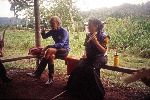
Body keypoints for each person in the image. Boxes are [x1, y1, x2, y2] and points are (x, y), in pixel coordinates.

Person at [67, 18, 109, 100]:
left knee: (91, 69)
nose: (88, 27)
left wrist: (96, 42)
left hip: (100, 57)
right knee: (78, 67)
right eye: (88, 26)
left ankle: (99, 93)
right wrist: (85, 54)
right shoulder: (88, 35)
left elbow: (104, 51)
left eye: (90, 26)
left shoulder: (105, 36)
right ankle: (74, 89)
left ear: (96, 26)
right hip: (90, 57)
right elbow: (86, 47)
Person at [27, 16, 70, 84]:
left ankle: (37, 74)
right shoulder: (52, 31)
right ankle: (50, 78)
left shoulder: (64, 31)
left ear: (58, 23)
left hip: (64, 50)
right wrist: (43, 32)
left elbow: (61, 44)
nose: (51, 25)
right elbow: (44, 37)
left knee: (49, 50)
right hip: (56, 50)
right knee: (51, 57)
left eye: (53, 23)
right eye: (50, 23)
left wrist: (47, 47)